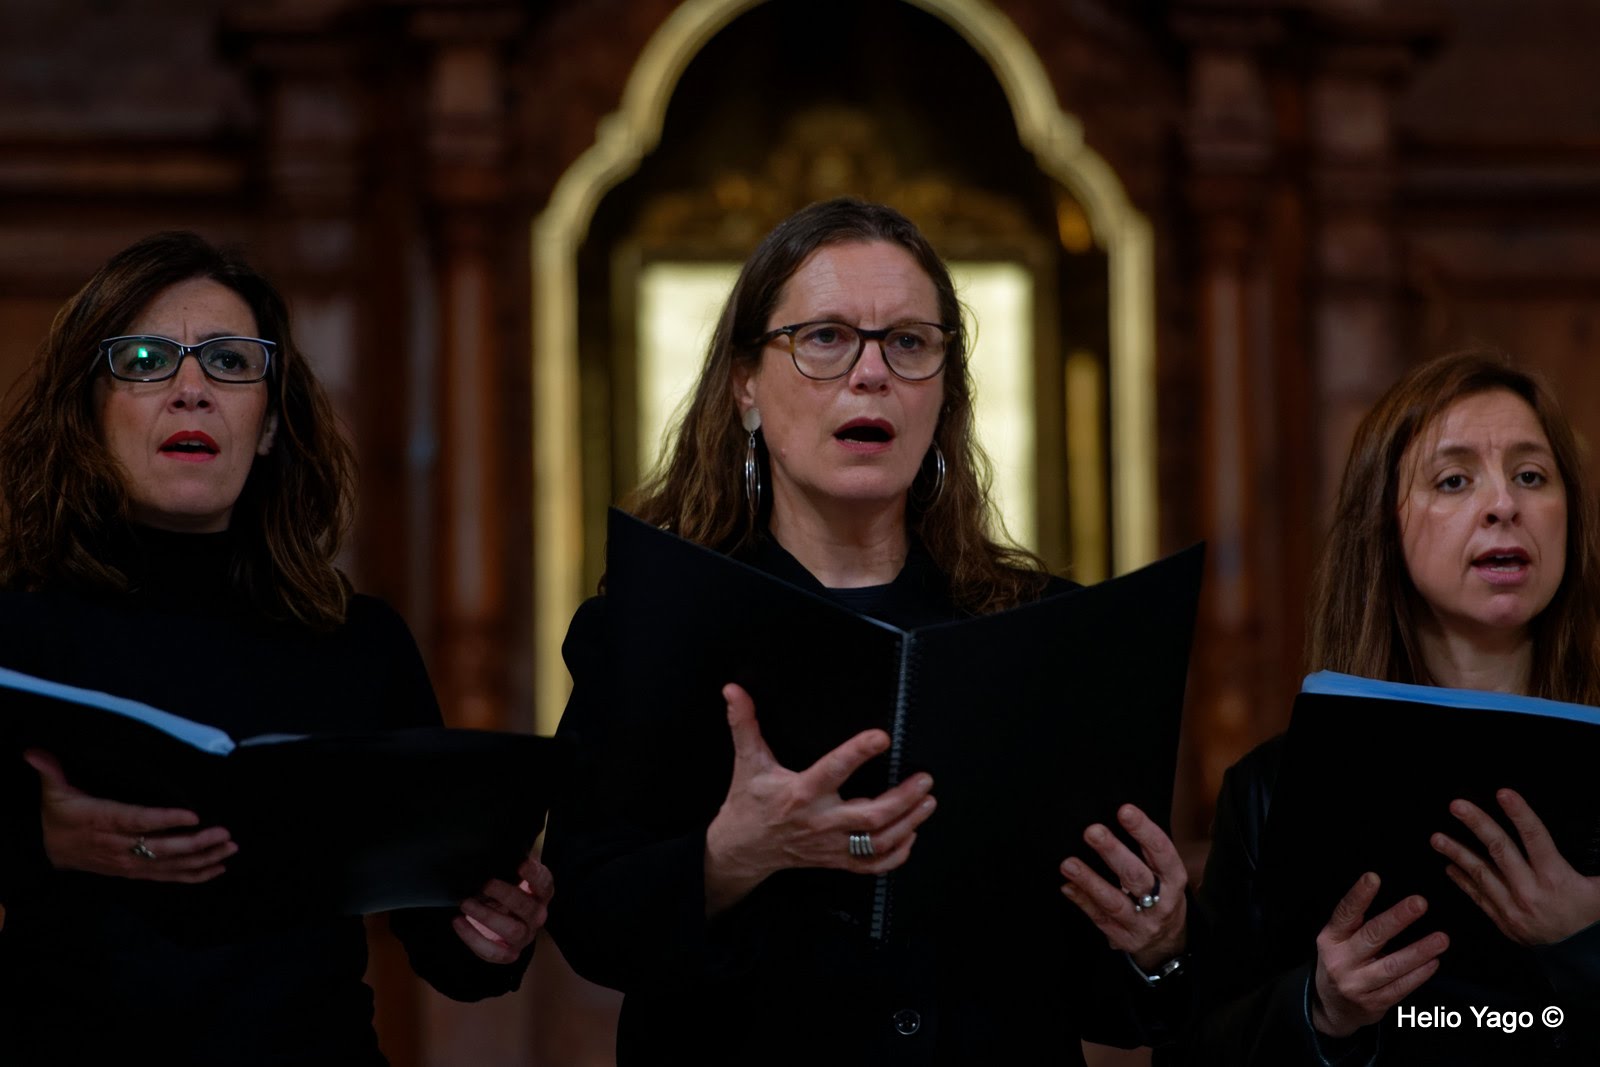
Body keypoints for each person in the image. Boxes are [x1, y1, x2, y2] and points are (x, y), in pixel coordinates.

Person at [541, 197, 1189, 1064]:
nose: (871, 372)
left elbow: (1105, 993)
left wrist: (1157, 941)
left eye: (909, 343)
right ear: (744, 386)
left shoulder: (1046, 631)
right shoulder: (652, 622)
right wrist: (730, 856)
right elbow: (586, 920)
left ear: (944, 393)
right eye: (825, 338)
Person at [0, 232, 553, 1064]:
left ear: (267, 427)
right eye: (147, 359)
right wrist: (37, 838)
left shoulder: (357, 642)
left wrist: (494, 932)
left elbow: (447, 951)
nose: (191, 390)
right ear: (88, 412)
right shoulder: (18, 632)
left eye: (229, 362)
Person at [1162, 352, 1600, 1065]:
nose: (1503, 505)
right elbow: (1193, 1053)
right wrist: (1321, 1009)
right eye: (1454, 480)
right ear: (1385, 526)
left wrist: (1585, 939)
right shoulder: (1270, 792)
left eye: (1530, 475)